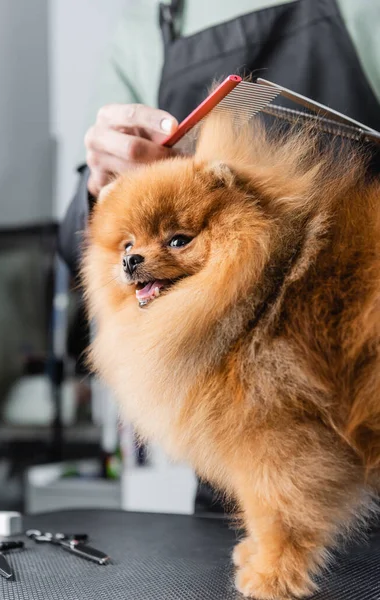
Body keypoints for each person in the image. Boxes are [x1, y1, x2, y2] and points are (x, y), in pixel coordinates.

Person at [58, 0, 380, 511]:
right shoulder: (151, 19)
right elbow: (79, 239)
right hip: (241, 488)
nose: (137, 257)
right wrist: (101, 185)